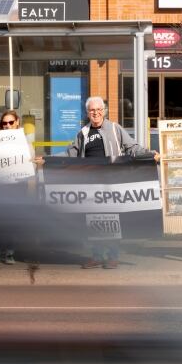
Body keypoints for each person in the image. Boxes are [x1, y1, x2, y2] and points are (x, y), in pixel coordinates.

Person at [67, 97, 159, 269]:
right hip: (90, 185)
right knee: (93, 220)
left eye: (98, 109)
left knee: (111, 220)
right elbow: (70, 154)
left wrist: (149, 154)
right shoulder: (83, 133)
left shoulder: (115, 129)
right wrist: (47, 160)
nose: (95, 113)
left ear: (104, 111)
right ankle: (97, 255)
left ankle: (112, 256)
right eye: (92, 110)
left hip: (111, 182)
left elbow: (132, 148)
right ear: (87, 113)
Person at [0, 110, 43, 265]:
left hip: (18, 187)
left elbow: (31, 167)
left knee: (13, 221)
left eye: (10, 122)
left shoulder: (25, 145)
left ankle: (9, 252)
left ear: (17, 123)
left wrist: (38, 164)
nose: (7, 126)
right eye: (4, 123)